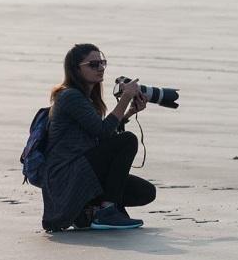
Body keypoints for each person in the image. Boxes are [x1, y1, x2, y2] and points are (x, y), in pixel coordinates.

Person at [41, 43, 156, 231]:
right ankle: (107, 211)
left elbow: (100, 137)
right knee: (128, 140)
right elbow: (103, 132)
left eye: (102, 63)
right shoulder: (70, 96)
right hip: (66, 176)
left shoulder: (86, 99)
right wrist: (126, 97)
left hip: (80, 171)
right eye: (93, 64)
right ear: (76, 69)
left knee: (145, 192)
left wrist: (127, 114)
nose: (101, 68)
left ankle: (87, 210)